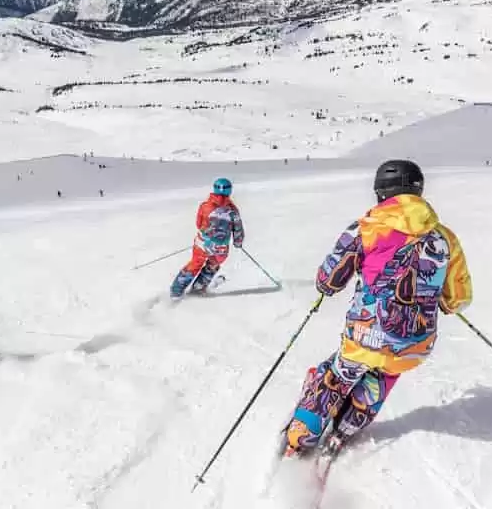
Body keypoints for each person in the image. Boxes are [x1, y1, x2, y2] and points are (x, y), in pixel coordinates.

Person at [281, 159, 473, 457]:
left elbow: (330, 278)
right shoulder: (445, 238)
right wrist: (445, 301)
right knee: (383, 376)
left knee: (336, 376)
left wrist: (324, 288)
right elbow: (457, 298)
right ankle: (344, 429)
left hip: (365, 334)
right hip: (415, 343)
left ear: (382, 193)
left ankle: (301, 435)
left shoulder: (365, 229)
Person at [170, 178, 245, 299]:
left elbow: (198, 224)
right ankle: (199, 287)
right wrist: (238, 241)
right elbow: (238, 228)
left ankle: (176, 290)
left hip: (203, 243)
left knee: (195, 263)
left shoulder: (205, 206)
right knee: (213, 264)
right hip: (221, 247)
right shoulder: (233, 211)